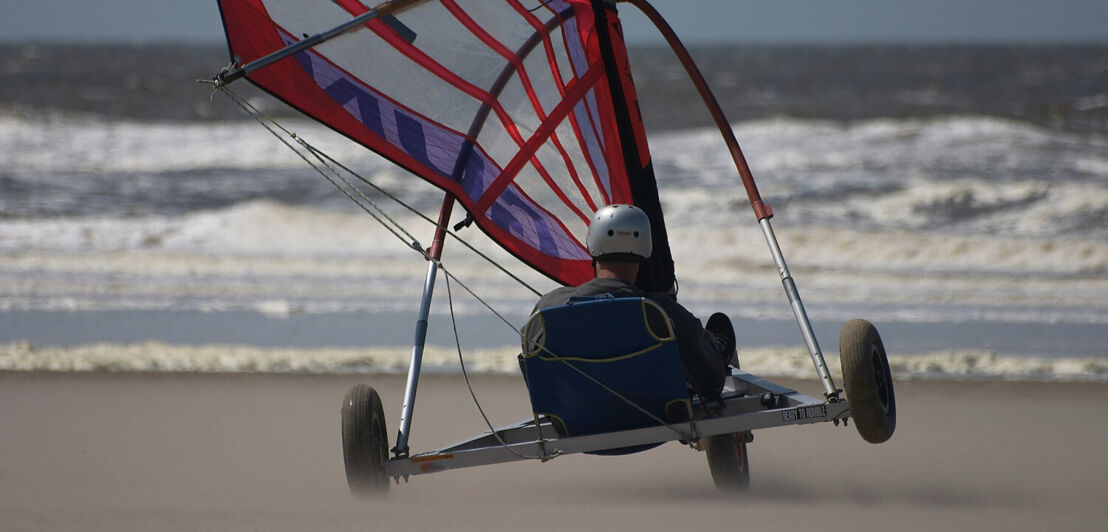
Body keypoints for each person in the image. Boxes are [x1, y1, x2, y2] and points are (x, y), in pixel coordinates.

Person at [530, 204, 735, 400]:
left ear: (592, 245)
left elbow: (535, 377)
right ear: (645, 249)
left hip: (572, 419)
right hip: (657, 415)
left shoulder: (548, 307)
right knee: (708, 345)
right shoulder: (661, 312)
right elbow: (712, 379)